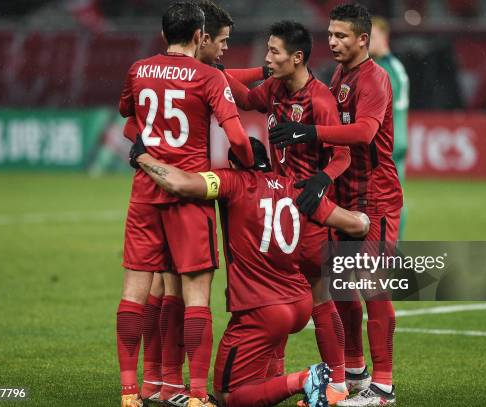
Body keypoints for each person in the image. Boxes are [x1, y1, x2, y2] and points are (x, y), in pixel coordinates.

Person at [130, 134, 371, 407]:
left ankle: (304, 379)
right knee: (254, 376)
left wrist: (142, 157)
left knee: (228, 396)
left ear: (234, 164)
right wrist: (359, 225)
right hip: (300, 302)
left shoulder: (233, 182)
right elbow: (358, 225)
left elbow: (180, 183)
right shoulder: (296, 188)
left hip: (262, 310)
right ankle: (298, 378)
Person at [116, 2, 254, 407]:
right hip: (189, 197)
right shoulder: (208, 77)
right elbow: (239, 138)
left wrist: (145, 150)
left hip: (145, 193)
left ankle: (129, 392)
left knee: (133, 294)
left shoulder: (139, 69)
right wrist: (249, 166)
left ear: (164, 35)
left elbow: (129, 117)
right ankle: (196, 395)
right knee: (197, 299)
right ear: (199, 36)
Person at [268, 3, 403, 406]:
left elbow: (363, 133)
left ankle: (383, 387)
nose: (333, 42)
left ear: (364, 39)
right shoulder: (342, 74)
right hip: (345, 194)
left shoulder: (375, 79)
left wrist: (308, 130)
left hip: (375, 198)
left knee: (374, 289)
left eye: (342, 36)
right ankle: (357, 369)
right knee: (343, 286)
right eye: (330, 35)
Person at [225, 20, 351, 405]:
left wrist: (321, 180)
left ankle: (338, 382)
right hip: (276, 210)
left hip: (308, 212)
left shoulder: (321, 101)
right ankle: (275, 375)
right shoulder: (275, 88)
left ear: (297, 58)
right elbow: (242, 97)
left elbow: (343, 155)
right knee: (274, 294)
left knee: (319, 293)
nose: (267, 58)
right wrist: (209, 71)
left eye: (274, 52)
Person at [369, 16, 409, 241]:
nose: (366, 44)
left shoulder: (385, 69)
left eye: (371, 37)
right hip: (397, 138)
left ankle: (390, 245)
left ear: (384, 38)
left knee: (386, 200)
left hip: (388, 140)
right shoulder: (394, 66)